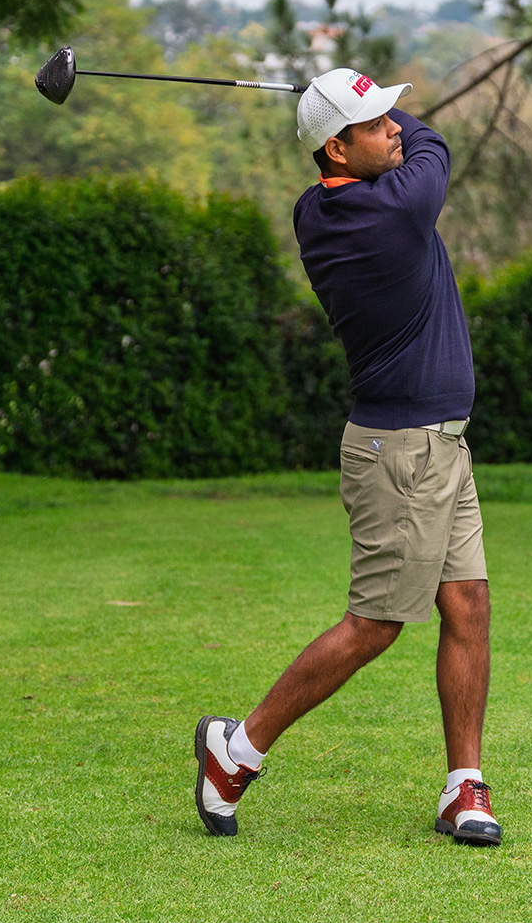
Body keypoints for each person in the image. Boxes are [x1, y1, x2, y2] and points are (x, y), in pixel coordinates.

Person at [193, 68, 499, 846]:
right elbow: (436, 143)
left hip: (438, 445)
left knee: (467, 605)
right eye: (375, 121)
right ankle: (238, 750)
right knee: (375, 625)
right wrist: (353, 100)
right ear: (337, 145)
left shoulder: (319, 205)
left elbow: (393, 142)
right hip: (401, 455)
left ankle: (464, 786)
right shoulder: (392, 211)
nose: (395, 127)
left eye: (389, 115)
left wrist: (347, 101)